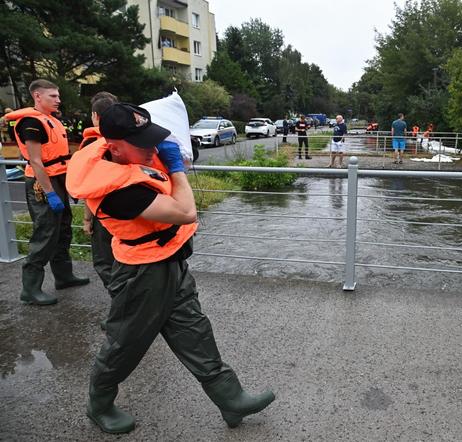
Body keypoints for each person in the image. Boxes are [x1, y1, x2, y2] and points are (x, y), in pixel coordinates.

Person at [65, 103, 275, 434]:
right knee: (124, 344)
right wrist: (176, 168)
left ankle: (230, 398)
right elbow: (186, 211)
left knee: (195, 329)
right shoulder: (118, 191)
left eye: (153, 139)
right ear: (116, 147)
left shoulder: (124, 157)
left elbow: (150, 169)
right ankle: (99, 403)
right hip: (140, 275)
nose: (151, 148)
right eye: (143, 143)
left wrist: (169, 156)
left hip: (170, 261)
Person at [4, 79, 89, 306]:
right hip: (43, 183)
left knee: (63, 229)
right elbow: (36, 162)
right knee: (45, 232)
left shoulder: (51, 120)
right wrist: (50, 193)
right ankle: (30, 290)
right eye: (53, 96)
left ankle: (63, 276)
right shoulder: (31, 123)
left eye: (58, 96)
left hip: (59, 179)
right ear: (37, 97)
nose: (58, 100)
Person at [79, 92, 119, 290]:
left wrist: (87, 219)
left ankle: (125, 309)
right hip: (133, 208)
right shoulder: (128, 137)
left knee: (105, 262)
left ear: (95, 116)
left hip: (103, 211)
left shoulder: (92, 145)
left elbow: (89, 187)